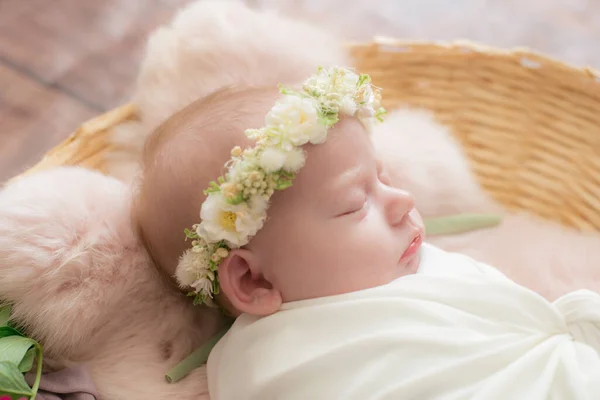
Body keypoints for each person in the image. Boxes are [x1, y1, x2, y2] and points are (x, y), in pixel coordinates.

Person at [134, 66, 600, 399]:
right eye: (355, 205)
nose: (403, 203)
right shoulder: (269, 365)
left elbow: (513, 333)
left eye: (386, 179)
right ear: (253, 282)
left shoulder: (414, 267)